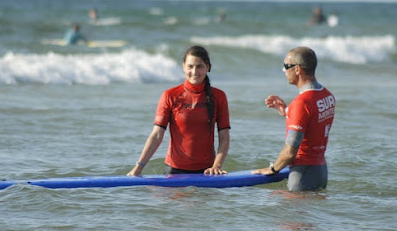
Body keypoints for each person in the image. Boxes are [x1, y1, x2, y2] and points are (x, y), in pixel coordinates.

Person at [127, 46, 231, 176]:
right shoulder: (170, 96)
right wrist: (139, 167)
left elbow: (224, 136)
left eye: (199, 66)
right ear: (183, 67)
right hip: (175, 171)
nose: (194, 71)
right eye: (190, 66)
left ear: (208, 67)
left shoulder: (219, 97)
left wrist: (217, 166)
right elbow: (157, 135)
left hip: (207, 172)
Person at [253, 47, 335, 191]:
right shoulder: (327, 96)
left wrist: (272, 169)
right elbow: (313, 123)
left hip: (302, 175)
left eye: (286, 66)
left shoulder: (301, 103)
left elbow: (290, 152)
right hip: (321, 171)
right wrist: (287, 112)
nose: (284, 71)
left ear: (297, 69)